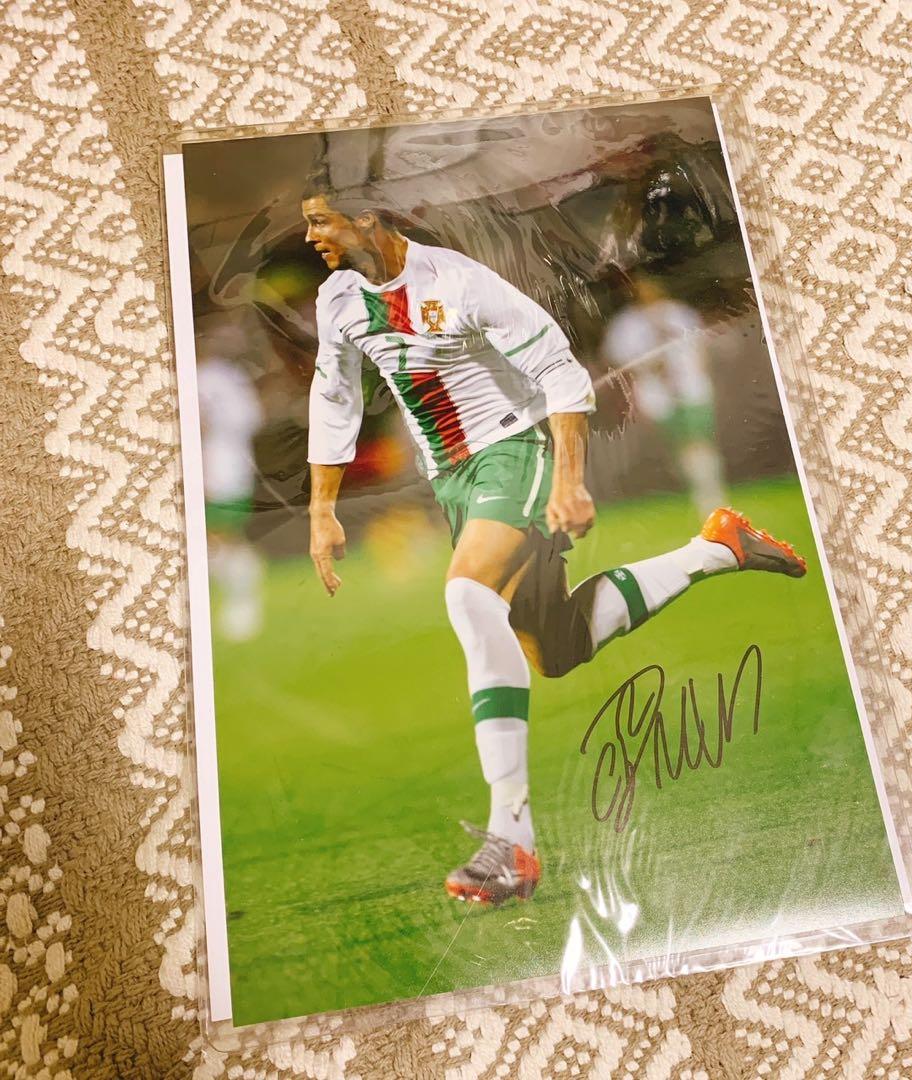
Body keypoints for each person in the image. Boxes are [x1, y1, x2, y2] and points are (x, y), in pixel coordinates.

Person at [300, 171, 807, 906]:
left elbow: (559, 371)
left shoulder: (459, 282)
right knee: (556, 647)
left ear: (369, 218)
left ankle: (512, 841)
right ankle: (718, 548)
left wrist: (569, 481)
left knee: (469, 598)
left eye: (323, 220)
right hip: (454, 481)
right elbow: (334, 396)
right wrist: (322, 509)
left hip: (514, 452)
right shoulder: (339, 299)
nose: (311, 236)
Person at [601, 275, 727, 517]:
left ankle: (709, 494)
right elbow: (617, 359)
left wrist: (697, 371)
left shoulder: (678, 313)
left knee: (699, 440)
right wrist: (646, 368)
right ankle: (700, 490)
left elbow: (700, 347)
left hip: (690, 388)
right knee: (681, 445)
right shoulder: (626, 325)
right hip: (657, 395)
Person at [198, 326, 264, 643]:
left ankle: (243, 602)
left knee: (219, 537)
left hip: (218, 470)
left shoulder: (211, 379)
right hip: (229, 468)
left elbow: (206, 425)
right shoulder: (226, 376)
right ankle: (240, 600)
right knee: (218, 539)